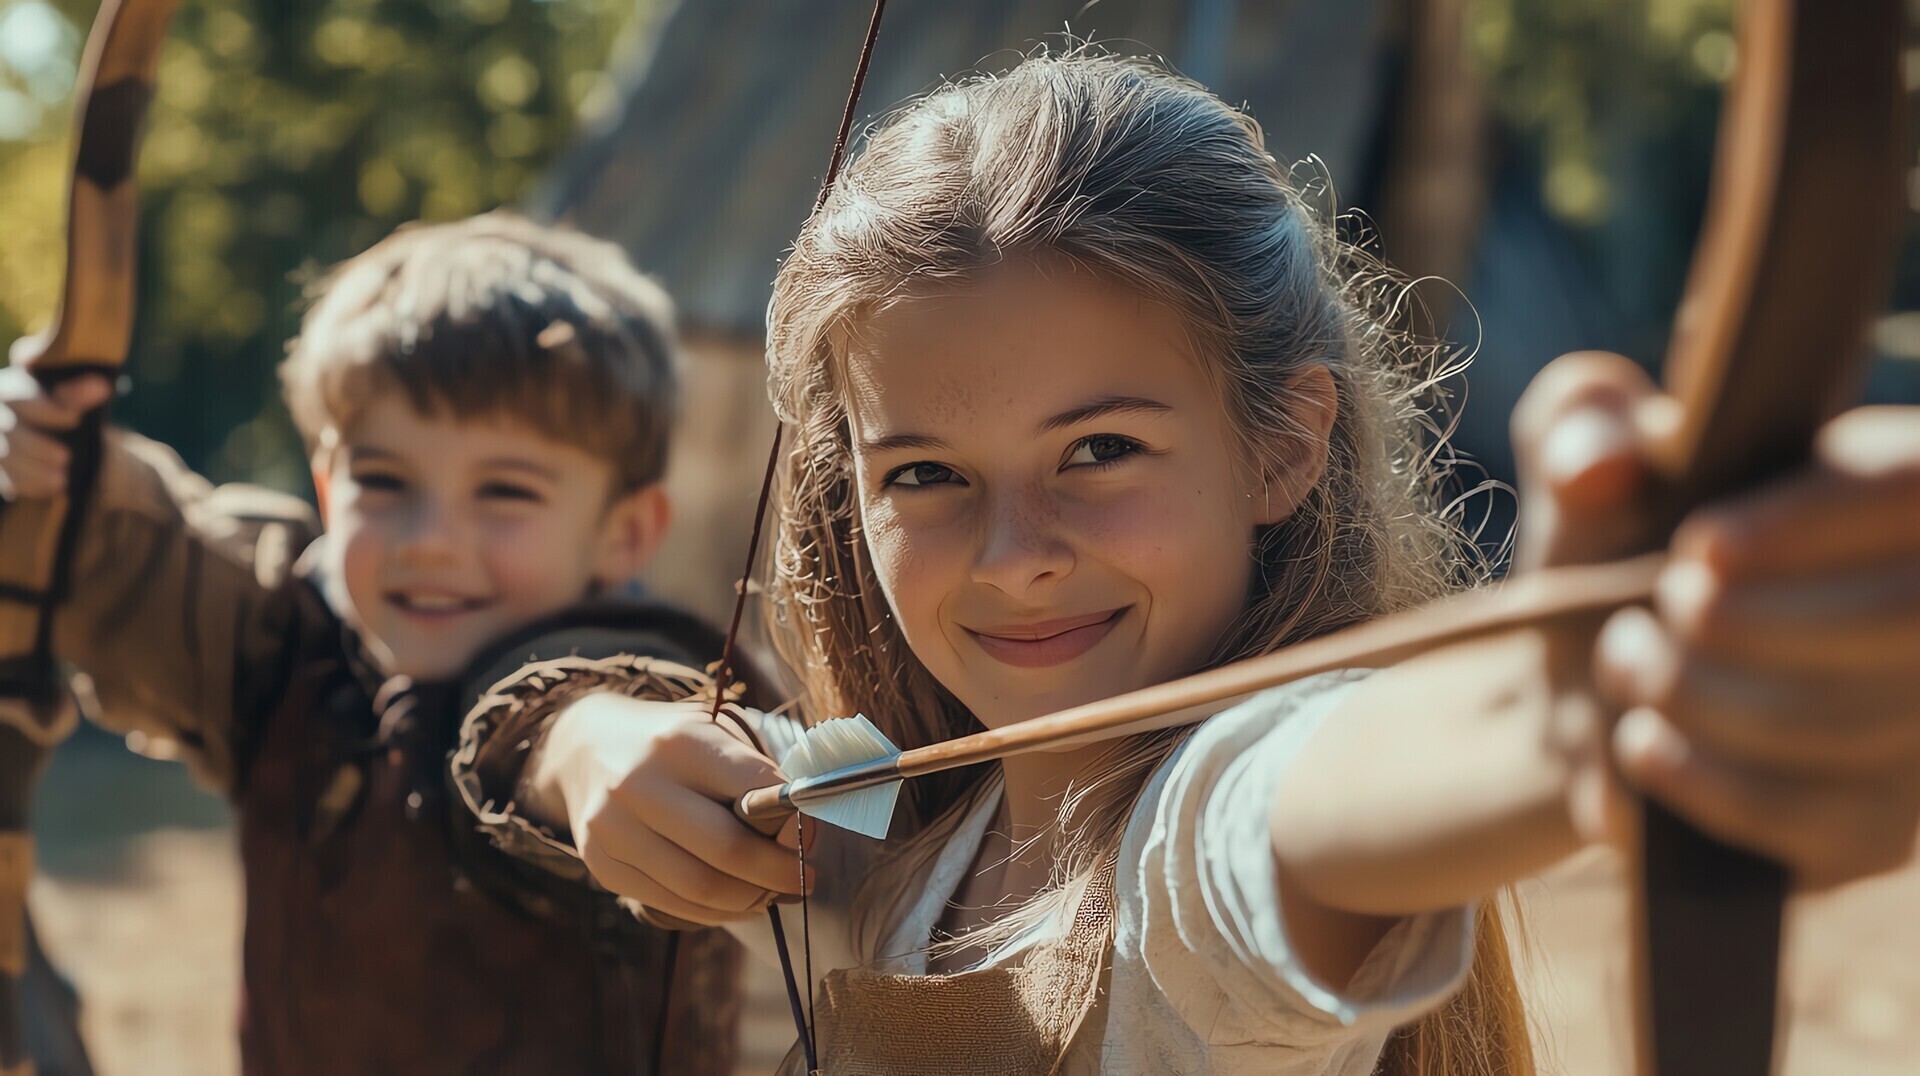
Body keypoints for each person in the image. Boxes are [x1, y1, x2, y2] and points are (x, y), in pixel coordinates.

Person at [469, 54, 1920, 1074]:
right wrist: (589, 742)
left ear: (1282, 447)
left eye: (1100, 450)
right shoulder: (914, 794)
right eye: (924, 474)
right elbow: (708, 754)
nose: (1018, 556)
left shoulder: (1193, 854)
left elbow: (1312, 800)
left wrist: (1575, 724)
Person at [0, 212, 746, 1074]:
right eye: (384, 480)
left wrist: (591, 753)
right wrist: (63, 472)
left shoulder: (631, 661)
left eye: (505, 491)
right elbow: (147, 570)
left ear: (623, 532)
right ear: (327, 484)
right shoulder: (284, 649)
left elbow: (555, 712)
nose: (430, 538)